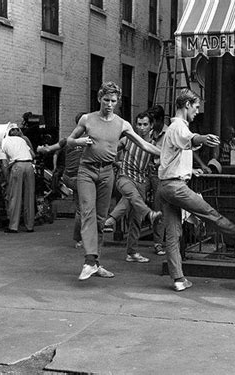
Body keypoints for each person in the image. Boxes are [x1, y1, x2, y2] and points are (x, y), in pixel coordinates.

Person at [158, 89, 235, 292]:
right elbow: (191, 138)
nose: (196, 111)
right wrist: (203, 138)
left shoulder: (174, 128)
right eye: (195, 107)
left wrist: (190, 168)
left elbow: (176, 154)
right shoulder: (178, 126)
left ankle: (178, 279)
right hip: (176, 187)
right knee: (211, 215)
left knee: (173, 234)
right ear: (187, 105)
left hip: (167, 186)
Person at [67, 81, 160, 281]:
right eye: (106, 100)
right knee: (88, 212)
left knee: (101, 219)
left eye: (114, 101)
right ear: (100, 98)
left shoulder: (122, 124)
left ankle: (95, 263)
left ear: (117, 102)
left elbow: (143, 144)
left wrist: (168, 154)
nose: (110, 104)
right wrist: (79, 141)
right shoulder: (87, 119)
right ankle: (89, 260)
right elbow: (68, 141)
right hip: (87, 171)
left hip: (107, 173)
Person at [104, 111, 162, 263]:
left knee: (135, 219)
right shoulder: (127, 139)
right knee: (132, 196)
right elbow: (109, 151)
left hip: (141, 181)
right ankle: (113, 219)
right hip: (125, 177)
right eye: (139, 124)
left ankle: (132, 252)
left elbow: (160, 161)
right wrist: (115, 162)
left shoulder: (153, 145)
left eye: (145, 124)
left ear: (151, 126)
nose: (141, 128)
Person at [1, 125, 36, 233]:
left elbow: (3, 163)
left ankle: (13, 226)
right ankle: (30, 225)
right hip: (29, 166)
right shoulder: (22, 140)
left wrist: (6, 178)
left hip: (17, 166)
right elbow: (33, 154)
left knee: (15, 196)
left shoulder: (2, 142)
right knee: (29, 196)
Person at [61, 112, 86, 249]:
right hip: (79, 177)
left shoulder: (68, 140)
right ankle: (80, 238)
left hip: (69, 176)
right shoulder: (87, 140)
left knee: (81, 208)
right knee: (82, 209)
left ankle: (82, 237)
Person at [146, 105, 168, 256]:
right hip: (146, 172)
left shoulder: (169, 133)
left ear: (160, 120)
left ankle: (158, 243)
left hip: (161, 174)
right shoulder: (149, 133)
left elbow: (171, 154)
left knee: (159, 207)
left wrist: (158, 162)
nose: (151, 125)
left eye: (154, 121)